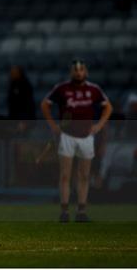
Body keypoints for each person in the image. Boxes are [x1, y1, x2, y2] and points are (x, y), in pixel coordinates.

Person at [41, 59, 113, 222]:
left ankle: (81, 210)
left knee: (84, 175)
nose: (78, 73)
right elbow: (45, 105)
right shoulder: (62, 89)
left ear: (85, 72)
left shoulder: (94, 89)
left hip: (86, 136)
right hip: (67, 136)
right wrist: (53, 125)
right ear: (71, 72)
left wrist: (99, 125)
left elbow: (108, 107)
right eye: (75, 70)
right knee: (65, 174)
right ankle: (65, 211)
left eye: (81, 70)